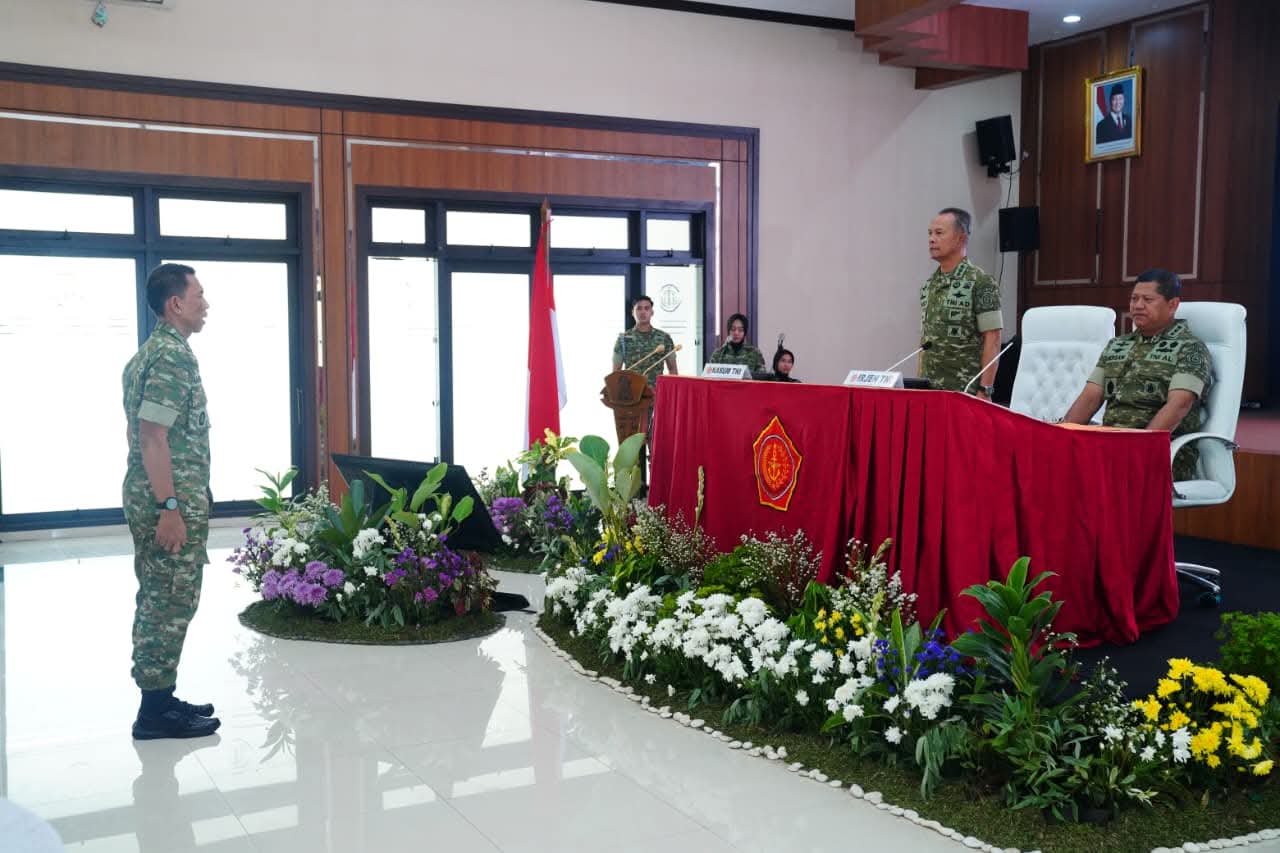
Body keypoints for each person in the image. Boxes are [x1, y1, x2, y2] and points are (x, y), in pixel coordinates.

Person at [122, 263, 220, 740]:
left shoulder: (149, 354)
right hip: (166, 502)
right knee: (169, 601)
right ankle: (154, 714)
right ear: (175, 304)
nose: (206, 304)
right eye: (199, 296)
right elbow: (151, 436)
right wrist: (170, 508)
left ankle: (161, 698)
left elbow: (142, 434)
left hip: (163, 494)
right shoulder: (171, 358)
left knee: (162, 596)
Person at [1062, 268, 1212, 482]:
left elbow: (1179, 405)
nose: (1138, 305)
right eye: (1134, 299)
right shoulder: (1117, 345)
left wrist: (1137, 450)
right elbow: (1090, 398)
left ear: (1172, 305)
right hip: (1110, 445)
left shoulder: (1190, 348)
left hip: (1159, 453)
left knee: (1088, 476)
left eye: (1148, 300)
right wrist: (1060, 437)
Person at [919, 207, 1003, 396]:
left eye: (939, 233)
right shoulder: (929, 285)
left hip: (965, 392)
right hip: (929, 390)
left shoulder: (981, 282)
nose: (931, 239)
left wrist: (985, 390)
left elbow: (993, 339)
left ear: (961, 238)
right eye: (930, 233)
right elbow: (924, 342)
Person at [612, 295, 678, 386]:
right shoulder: (623, 339)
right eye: (639, 308)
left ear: (652, 312)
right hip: (632, 392)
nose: (643, 312)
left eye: (647, 308)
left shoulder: (664, 338)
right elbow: (616, 372)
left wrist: (671, 391)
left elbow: (672, 369)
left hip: (656, 391)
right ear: (633, 312)